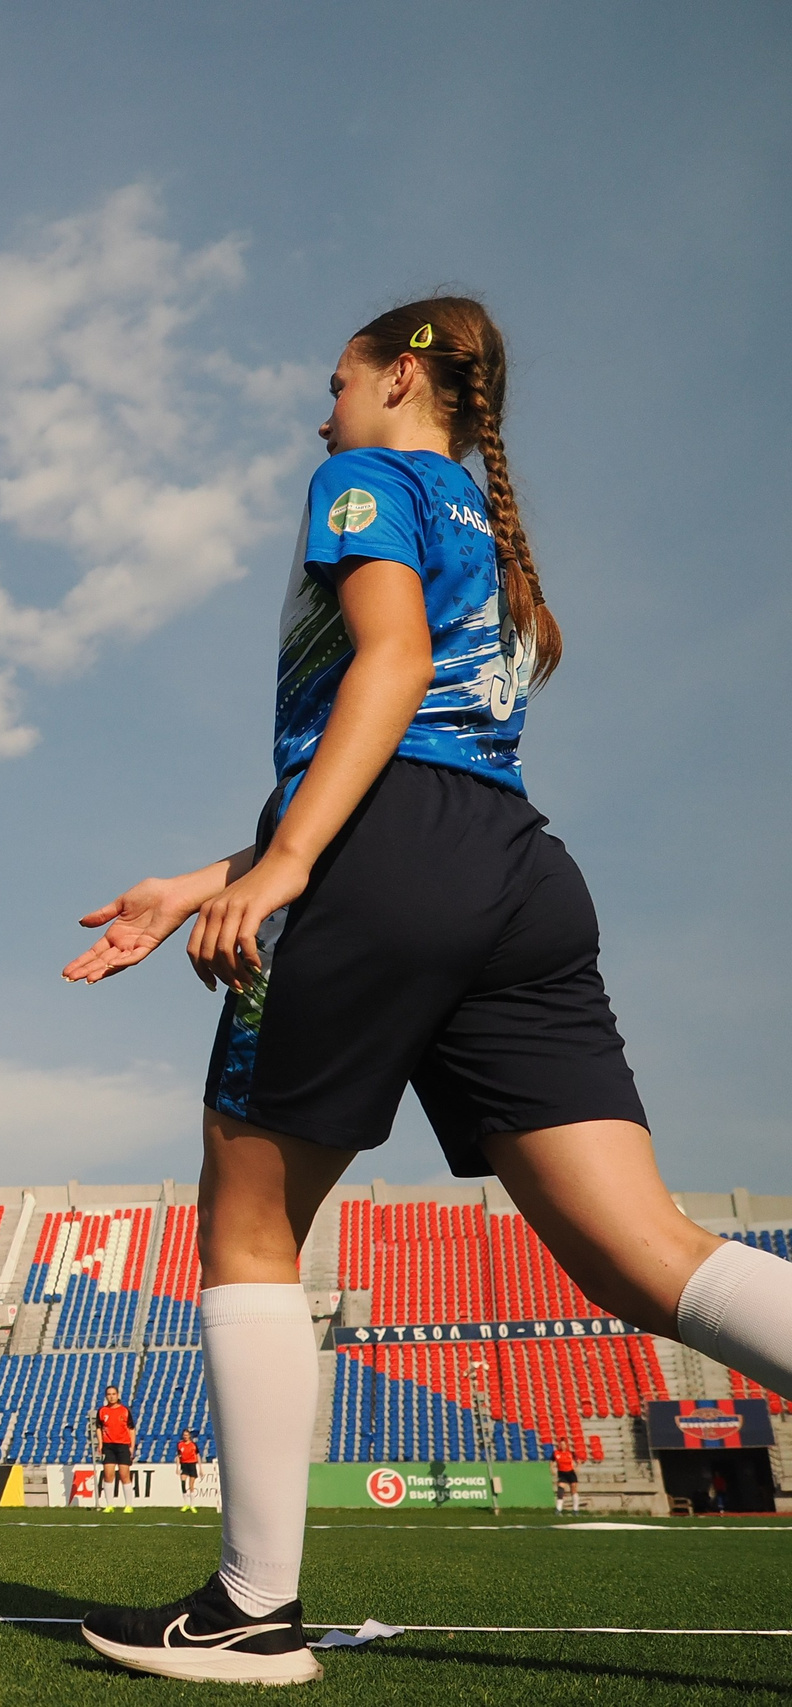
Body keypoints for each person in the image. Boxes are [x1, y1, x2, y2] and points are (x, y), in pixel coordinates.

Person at [59, 297, 792, 1685]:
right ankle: (248, 1600)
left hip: (392, 856)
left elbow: (388, 675)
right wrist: (203, 873)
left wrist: (279, 864)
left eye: (333, 378)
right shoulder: (494, 539)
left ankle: (250, 1609)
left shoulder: (362, 477)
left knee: (249, 1212)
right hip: (518, 872)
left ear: (401, 373)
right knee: (645, 1247)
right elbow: (439, 773)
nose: (319, 408)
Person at [89, 1384, 136, 1513]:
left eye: (113, 1394)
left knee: (124, 1475)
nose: (111, 1396)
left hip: (122, 1445)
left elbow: (131, 1429)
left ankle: (128, 1505)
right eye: (109, 1394)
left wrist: (132, 1446)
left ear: (118, 1395)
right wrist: (100, 1443)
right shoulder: (102, 1411)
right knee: (108, 1475)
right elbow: (98, 1428)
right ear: (106, 1396)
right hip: (108, 1446)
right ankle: (109, 1505)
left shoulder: (125, 1410)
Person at [176, 1430, 203, 1513]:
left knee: (191, 1485)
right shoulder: (180, 1445)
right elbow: (178, 1456)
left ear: (189, 1436)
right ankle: (185, 1504)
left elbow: (198, 1455)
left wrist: (200, 1468)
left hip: (192, 1464)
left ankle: (192, 1505)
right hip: (184, 1465)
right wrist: (177, 1467)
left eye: (187, 1435)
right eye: (184, 1435)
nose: (185, 1436)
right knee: (183, 1483)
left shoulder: (193, 1445)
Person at [553, 1441, 579, 1513]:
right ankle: (558, 1509)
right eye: (561, 1444)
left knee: (573, 1489)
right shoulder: (556, 1453)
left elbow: (578, 1461)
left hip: (570, 1472)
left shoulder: (571, 1453)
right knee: (560, 1488)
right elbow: (552, 1461)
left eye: (563, 1444)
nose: (562, 1446)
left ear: (566, 1445)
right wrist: (551, 1468)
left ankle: (575, 1509)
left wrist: (577, 1467)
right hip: (562, 1473)